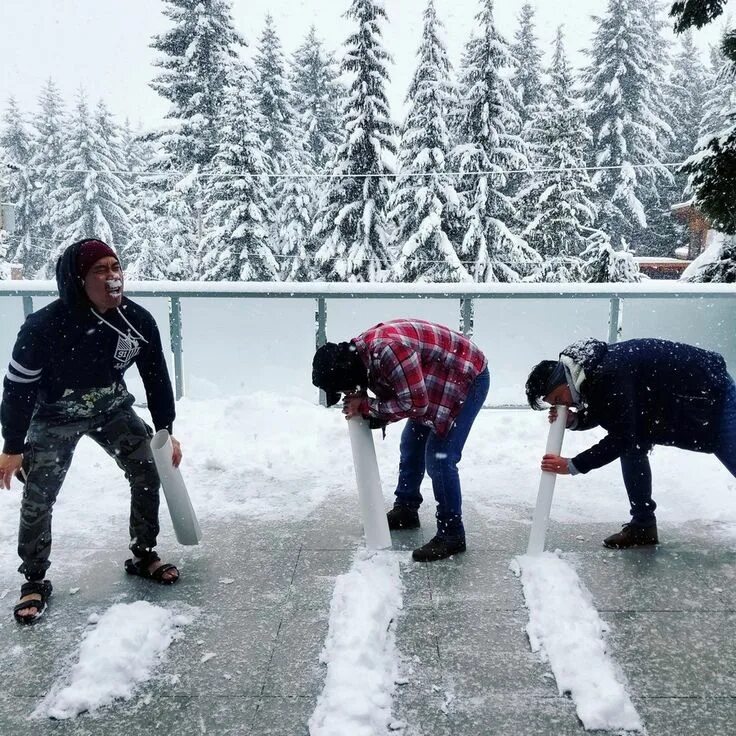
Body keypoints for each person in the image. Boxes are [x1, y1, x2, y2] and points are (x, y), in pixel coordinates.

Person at [0, 238, 183, 624]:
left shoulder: (137, 320)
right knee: (40, 494)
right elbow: (17, 388)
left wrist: (166, 430)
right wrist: (13, 445)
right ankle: (34, 579)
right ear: (77, 280)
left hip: (111, 405)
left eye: (115, 268)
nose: (112, 277)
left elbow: (156, 378)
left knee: (147, 468)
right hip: (54, 413)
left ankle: (143, 552)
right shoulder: (42, 329)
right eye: (100, 270)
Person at [525, 337, 736, 549]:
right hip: (686, 394)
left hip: (711, 393)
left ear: (561, 380)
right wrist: (576, 420)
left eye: (559, 398)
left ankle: (643, 526)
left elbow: (621, 435)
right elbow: (611, 410)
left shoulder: (606, 373)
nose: (565, 405)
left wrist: (574, 465)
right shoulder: (588, 370)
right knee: (632, 450)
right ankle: (643, 527)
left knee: (727, 451)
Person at [311, 318, 489, 562]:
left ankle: (452, 535)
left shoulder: (388, 351)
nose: (347, 394)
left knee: (440, 457)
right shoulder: (361, 356)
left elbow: (415, 404)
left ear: (346, 374)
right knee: (411, 443)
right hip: (431, 380)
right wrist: (369, 407)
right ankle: (406, 509)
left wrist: (367, 406)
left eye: (344, 389)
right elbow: (402, 392)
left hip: (467, 375)